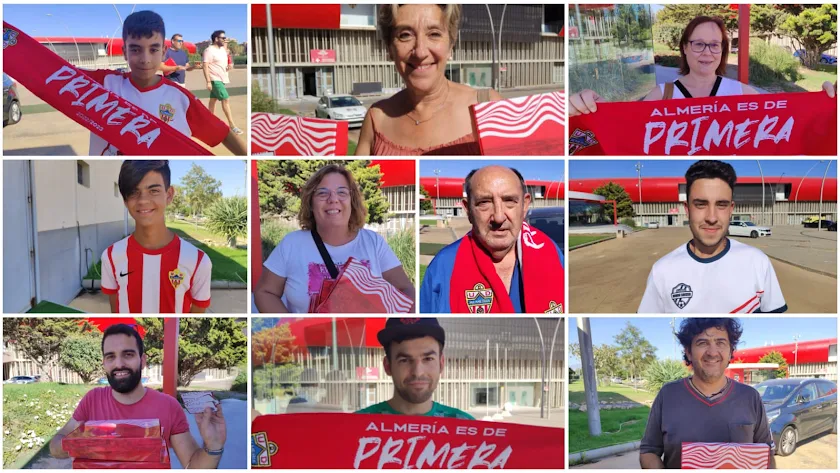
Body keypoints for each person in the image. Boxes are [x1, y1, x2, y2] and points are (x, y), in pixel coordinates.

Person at [569, 15, 836, 116]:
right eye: (698, 44)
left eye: (715, 45)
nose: (707, 52)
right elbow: (624, 133)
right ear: (684, 47)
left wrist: (827, 105)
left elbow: (791, 125)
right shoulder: (660, 96)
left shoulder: (744, 94)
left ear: (722, 51)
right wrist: (592, 110)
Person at [50, 324, 226, 468]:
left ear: (142, 361)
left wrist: (214, 446)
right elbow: (56, 445)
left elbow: (192, 466)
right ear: (104, 363)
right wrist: (83, 444)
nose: (119, 364)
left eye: (128, 354)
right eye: (111, 357)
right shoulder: (92, 399)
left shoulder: (168, 406)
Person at [254, 164, 415, 313]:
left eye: (342, 192)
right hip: (310, 337)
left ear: (352, 201)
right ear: (311, 203)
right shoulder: (291, 244)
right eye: (323, 193)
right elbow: (265, 292)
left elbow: (405, 290)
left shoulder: (373, 242)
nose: (333, 199)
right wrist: (290, 325)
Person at [637, 160, 786, 313]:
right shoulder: (661, 271)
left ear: (730, 209)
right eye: (701, 204)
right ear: (687, 209)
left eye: (721, 204)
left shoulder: (757, 261)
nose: (712, 217)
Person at [88, 11, 245, 155]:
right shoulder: (101, 83)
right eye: (135, 50)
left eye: (153, 50)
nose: (145, 59)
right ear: (124, 52)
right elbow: (62, 72)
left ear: (163, 51)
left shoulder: (182, 100)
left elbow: (223, 134)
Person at [356, 4, 504, 156]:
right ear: (389, 48)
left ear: (451, 45)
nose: (420, 52)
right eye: (405, 35)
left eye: (434, 34)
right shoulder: (377, 119)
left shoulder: (488, 105)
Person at [421, 165, 565, 313]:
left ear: (524, 205)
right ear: (468, 210)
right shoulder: (442, 267)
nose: (498, 217)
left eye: (509, 201)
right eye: (484, 202)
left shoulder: (551, 253)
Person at [640, 318, 775, 469]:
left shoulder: (750, 397)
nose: (712, 352)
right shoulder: (668, 395)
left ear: (731, 351)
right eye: (702, 343)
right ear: (688, 352)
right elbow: (649, 451)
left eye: (720, 342)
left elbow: (766, 453)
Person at [101, 160, 212, 313]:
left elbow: (196, 319)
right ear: (125, 200)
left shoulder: (198, 261)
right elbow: (116, 311)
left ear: (169, 195)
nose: (143, 200)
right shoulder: (111, 256)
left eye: (153, 191)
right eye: (133, 192)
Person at [356, 318, 474, 418]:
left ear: (441, 364)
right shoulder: (356, 425)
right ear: (388, 366)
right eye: (404, 360)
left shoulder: (467, 427)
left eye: (428, 359)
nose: (418, 372)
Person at [203, 30, 242, 135]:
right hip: (215, 79)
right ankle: (232, 125)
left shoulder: (222, 50)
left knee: (213, 100)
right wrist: (208, 82)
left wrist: (229, 65)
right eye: (223, 38)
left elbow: (226, 60)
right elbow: (205, 66)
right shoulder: (209, 51)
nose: (225, 40)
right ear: (216, 39)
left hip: (223, 78)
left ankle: (208, 122)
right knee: (225, 99)